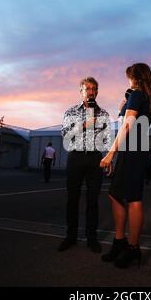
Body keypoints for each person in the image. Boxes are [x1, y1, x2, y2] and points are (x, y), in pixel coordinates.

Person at [100, 63, 151, 268]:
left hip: (133, 150)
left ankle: (134, 249)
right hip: (132, 149)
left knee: (133, 197)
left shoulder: (137, 94)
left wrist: (110, 153)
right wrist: (124, 103)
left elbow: (127, 125)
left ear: (135, 77)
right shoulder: (141, 96)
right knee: (115, 194)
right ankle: (119, 242)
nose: (128, 80)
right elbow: (123, 116)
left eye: (129, 77)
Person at [58, 77, 111, 253]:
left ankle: (92, 238)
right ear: (81, 91)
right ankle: (70, 236)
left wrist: (109, 158)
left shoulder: (103, 114)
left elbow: (108, 139)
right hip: (76, 157)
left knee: (93, 200)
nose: (90, 91)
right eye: (87, 88)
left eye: (94, 88)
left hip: (95, 158)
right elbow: (65, 135)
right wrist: (84, 125)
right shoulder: (70, 112)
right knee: (72, 199)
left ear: (97, 91)